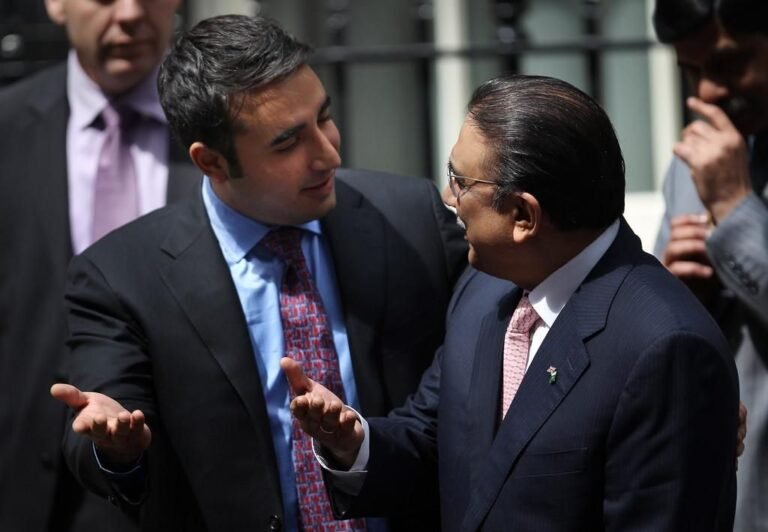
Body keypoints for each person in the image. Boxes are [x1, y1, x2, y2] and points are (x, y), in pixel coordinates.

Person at [50, 14, 466, 532]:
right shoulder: (120, 275)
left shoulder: (412, 218)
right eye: (288, 143)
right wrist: (117, 449)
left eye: (324, 117)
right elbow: (100, 425)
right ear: (212, 162)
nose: (328, 153)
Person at [284, 74, 741, 531]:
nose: (449, 198)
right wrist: (352, 442)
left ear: (523, 215)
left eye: (461, 181)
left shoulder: (666, 348)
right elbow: (434, 437)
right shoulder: (483, 290)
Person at [0, 0, 196, 530]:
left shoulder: (226, 126)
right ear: (56, 5)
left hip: (190, 480)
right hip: (30, 484)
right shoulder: (8, 128)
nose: (130, 13)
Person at [652, 1, 768, 529]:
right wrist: (677, 292)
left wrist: (735, 210)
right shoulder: (693, 162)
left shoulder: (717, 174)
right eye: (691, 71)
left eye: (729, 64)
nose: (707, 92)